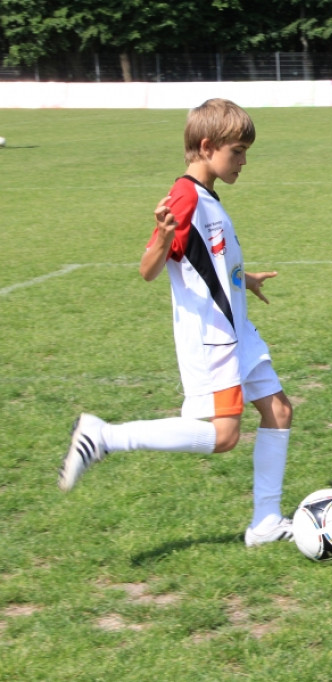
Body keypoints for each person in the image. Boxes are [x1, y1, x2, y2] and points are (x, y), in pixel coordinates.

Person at [58, 98, 296, 547]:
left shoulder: (206, 195)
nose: (244, 161)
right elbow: (150, 269)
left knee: (279, 411)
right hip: (214, 339)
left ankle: (266, 522)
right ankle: (104, 435)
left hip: (237, 330)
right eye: (238, 151)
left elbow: (207, 263)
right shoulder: (185, 195)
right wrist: (164, 237)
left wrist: (245, 279)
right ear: (207, 147)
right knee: (224, 436)